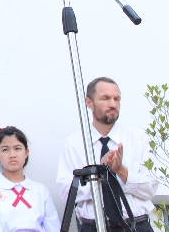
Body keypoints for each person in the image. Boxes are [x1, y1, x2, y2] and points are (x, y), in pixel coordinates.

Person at [57, 77, 158, 232]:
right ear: (89, 102)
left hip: (136, 225)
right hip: (92, 226)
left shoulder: (138, 139)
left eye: (117, 99)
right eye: (105, 98)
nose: (113, 104)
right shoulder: (74, 144)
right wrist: (99, 173)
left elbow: (150, 189)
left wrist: (121, 171)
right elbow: (67, 193)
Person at [0, 126, 59, 232]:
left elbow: (53, 227)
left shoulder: (40, 190)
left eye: (17, 148)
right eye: (5, 150)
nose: (12, 155)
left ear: (26, 152)